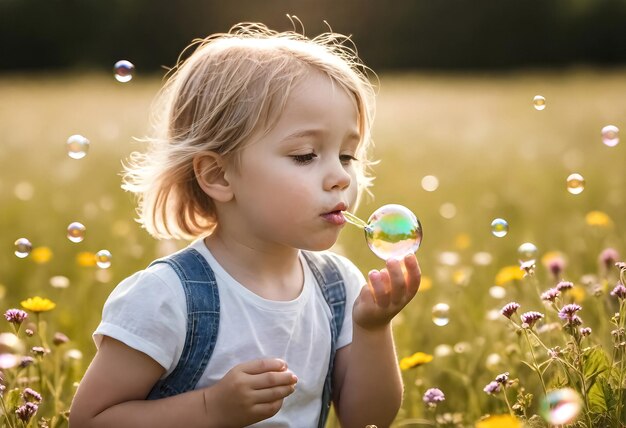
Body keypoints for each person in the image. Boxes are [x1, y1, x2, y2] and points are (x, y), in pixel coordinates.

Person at [69, 21, 421, 428]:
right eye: (306, 155)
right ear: (218, 176)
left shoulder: (339, 288)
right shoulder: (167, 297)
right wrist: (211, 409)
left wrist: (374, 329)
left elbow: (367, 419)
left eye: (346, 156)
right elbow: (90, 419)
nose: (340, 177)